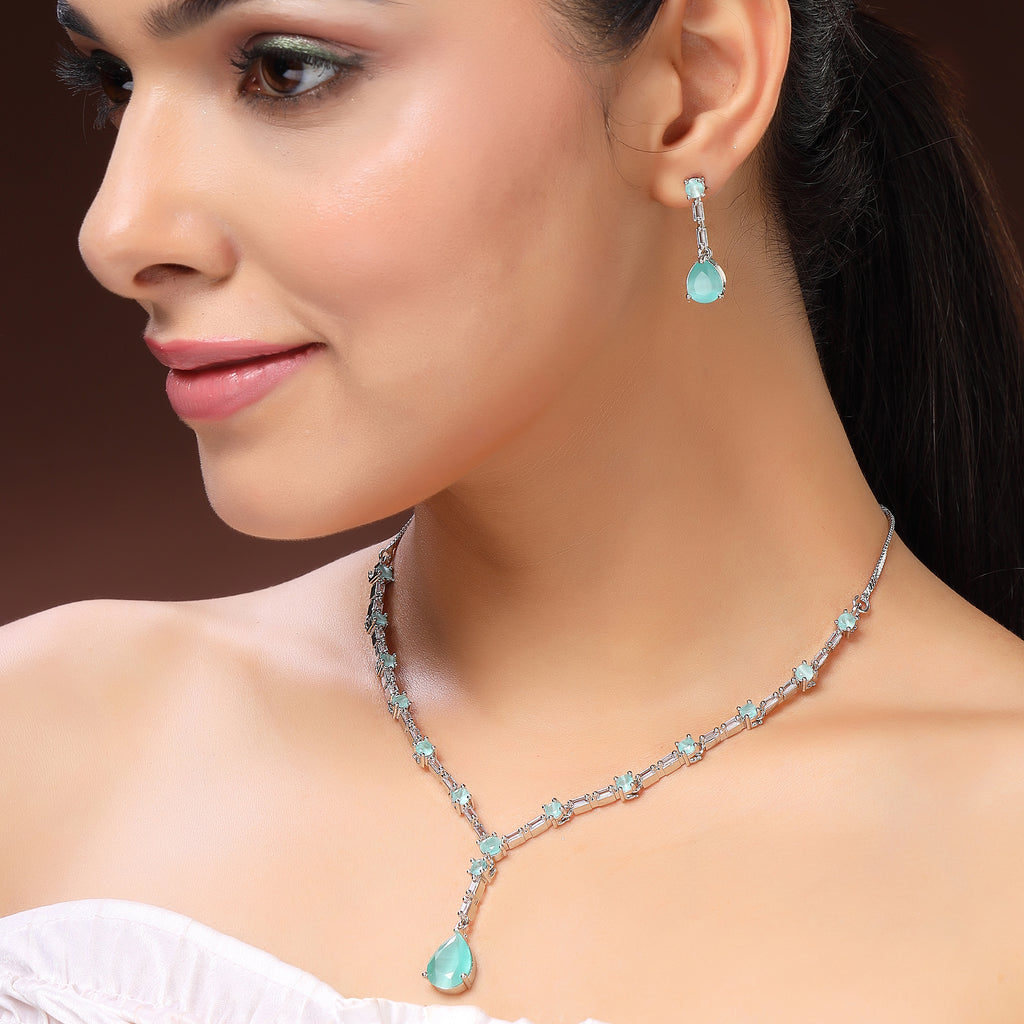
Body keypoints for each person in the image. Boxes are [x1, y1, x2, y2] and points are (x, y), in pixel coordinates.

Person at [1, 0, 1022, 1021]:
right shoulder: (40, 740)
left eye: (284, 70)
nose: (117, 231)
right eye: (114, 82)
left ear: (694, 87)